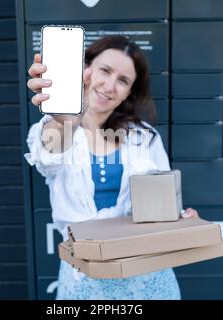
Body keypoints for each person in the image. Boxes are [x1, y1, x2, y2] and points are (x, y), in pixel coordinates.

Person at [25, 35, 199, 300]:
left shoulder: (144, 136)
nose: (109, 85)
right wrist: (67, 122)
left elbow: (164, 206)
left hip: (148, 279)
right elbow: (49, 157)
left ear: (130, 91)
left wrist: (180, 221)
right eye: (104, 70)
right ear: (86, 69)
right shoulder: (54, 129)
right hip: (84, 280)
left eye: (123, 80)